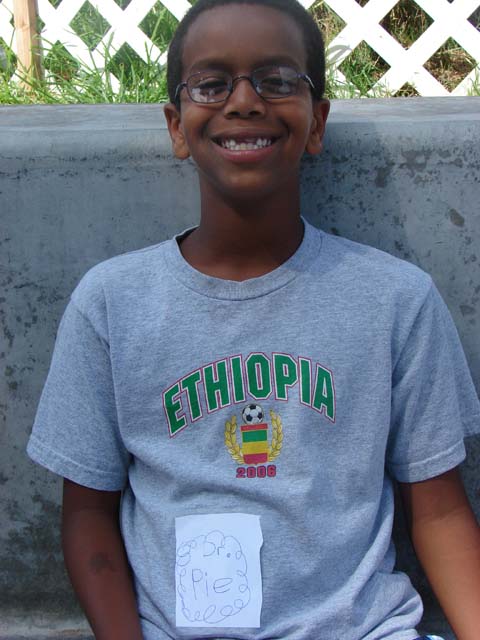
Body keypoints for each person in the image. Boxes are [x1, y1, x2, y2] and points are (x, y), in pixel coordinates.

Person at [27, 0, 480, 638]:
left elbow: (438, 513)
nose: (244, 102)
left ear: (317, 122)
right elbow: (88, 517)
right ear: (176, 126)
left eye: (277, 80)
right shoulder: (111, 302)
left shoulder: (396, 300)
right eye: (212, 84)